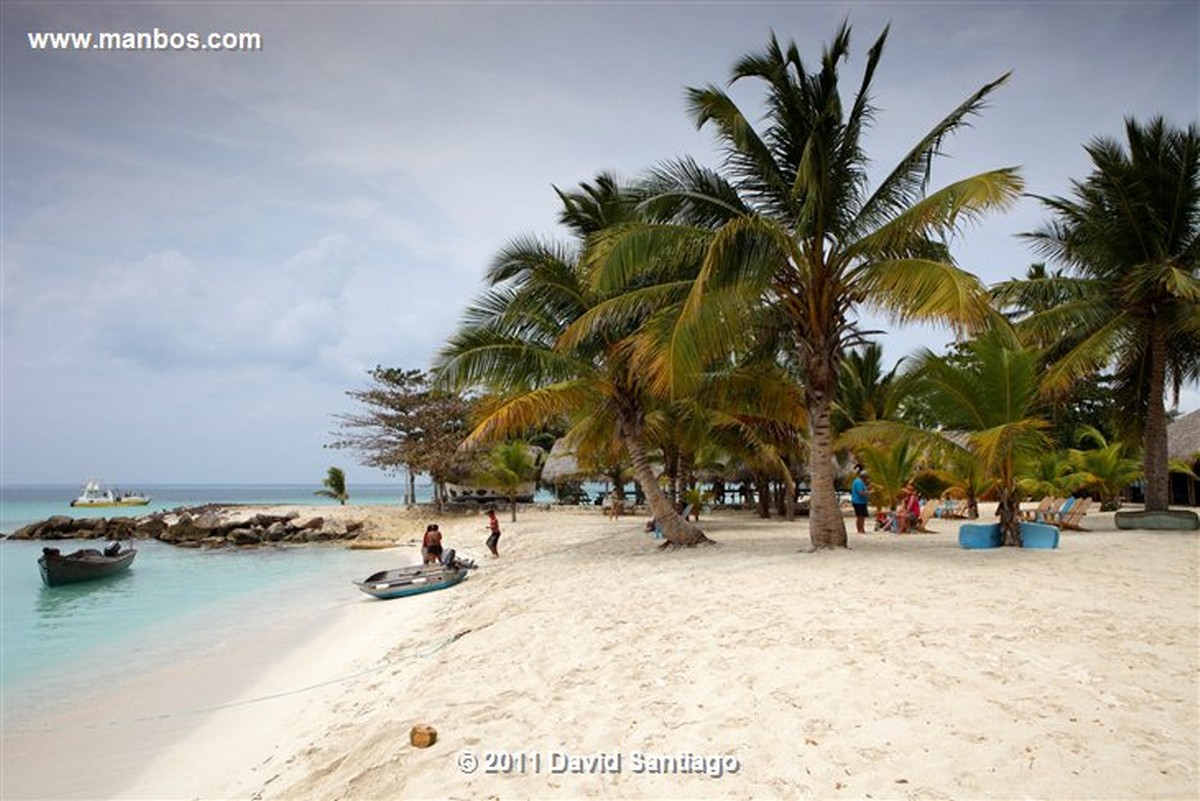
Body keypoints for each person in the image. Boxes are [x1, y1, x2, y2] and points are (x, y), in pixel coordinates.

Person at [850, 465, 869, 534]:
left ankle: (862, 528)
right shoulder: (858, 482)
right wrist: (868, 493)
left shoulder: (862, 482)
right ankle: (859, 529)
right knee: (859, 516)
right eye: (866, 477)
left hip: (862, 501)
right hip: (858, 501)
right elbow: (861, 492)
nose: (867, 478)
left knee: (863, 516)